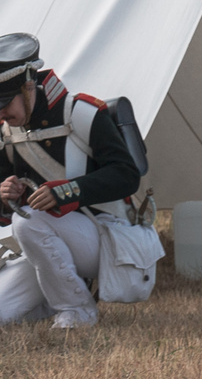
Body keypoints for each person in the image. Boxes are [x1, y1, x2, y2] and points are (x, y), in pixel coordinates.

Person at [0, 34, 144, 329]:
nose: (0, 113)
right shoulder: (7, 133)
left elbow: (127, 175)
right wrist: (4, 193)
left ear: (28, 87)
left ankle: (77, 311)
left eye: (4, 103)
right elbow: (6, 208)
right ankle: (53, 302)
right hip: (47, 241)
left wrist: (66, 192)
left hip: (111, 239)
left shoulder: (82, 113)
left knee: (30, 222)